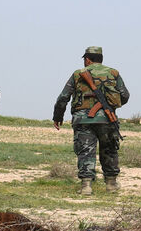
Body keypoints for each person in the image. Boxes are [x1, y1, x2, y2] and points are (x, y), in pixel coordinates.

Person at [53, 46, 130, 195]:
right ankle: (111, 184)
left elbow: (63, 97)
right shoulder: (113, 73)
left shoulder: (78, 74)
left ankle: (86, 186)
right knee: (109, 150)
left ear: (87, 59)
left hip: (83, 120)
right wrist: (110, 105)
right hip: (107, 119)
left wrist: (58, 116)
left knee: (85, 151)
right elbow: (125, 96)